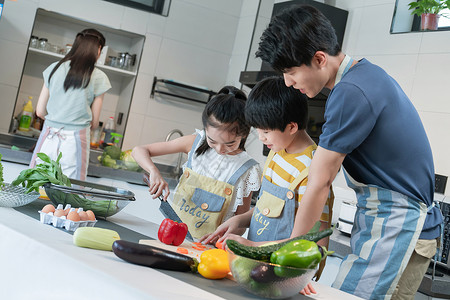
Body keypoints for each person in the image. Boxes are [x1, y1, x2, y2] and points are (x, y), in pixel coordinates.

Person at [253, 5, 443, 300]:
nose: (289, 83)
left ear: (319, 58)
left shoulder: (350, 92)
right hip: (407, 225)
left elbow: (319, 182)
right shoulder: (365, 74)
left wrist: (290, 252)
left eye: (291, 73)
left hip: (398, 222)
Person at [132, 86, 262, 240]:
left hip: (208, 248)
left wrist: (223, 235)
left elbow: (239, 225)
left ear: (244, 134)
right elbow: (138, 150)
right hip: (171, 236)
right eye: (212, 140)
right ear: (205, 129)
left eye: (229, 144)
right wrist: (154, 171)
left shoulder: (247, 169)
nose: (220, 149)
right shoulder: (194, 142)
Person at [30, 28, 111, 181]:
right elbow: (94, 122)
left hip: (49, 136)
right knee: (69, 192)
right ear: (98, 49)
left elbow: (40, 111)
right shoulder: (99, 77)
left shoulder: (54, 68)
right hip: (75, 141)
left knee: (36, 184)